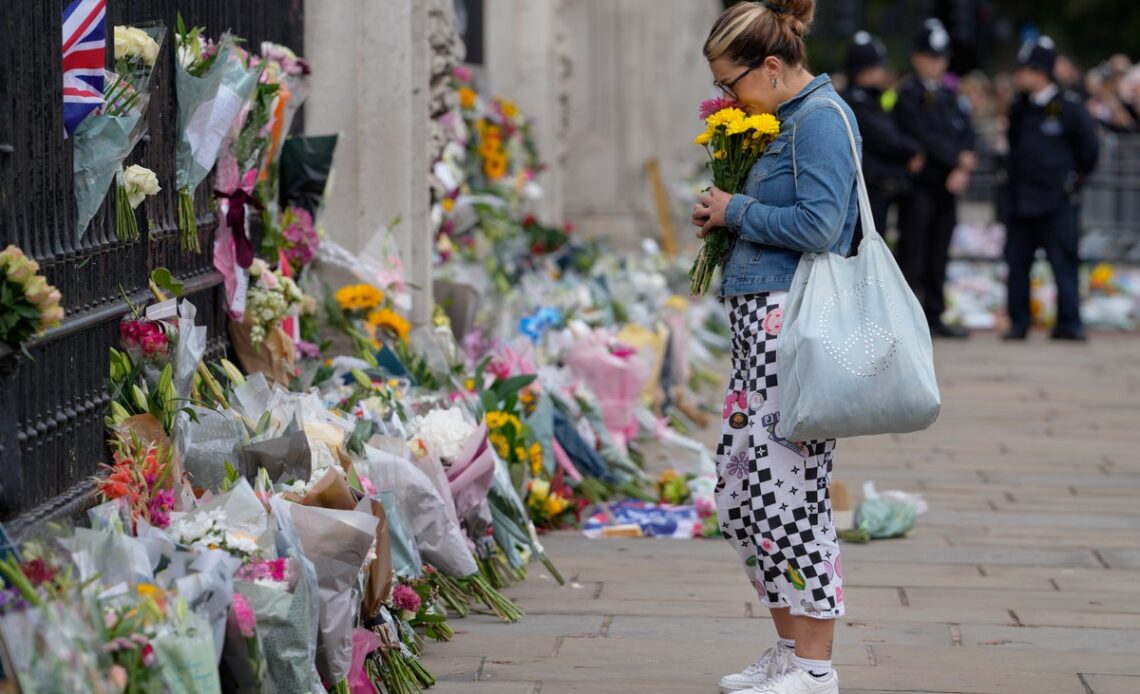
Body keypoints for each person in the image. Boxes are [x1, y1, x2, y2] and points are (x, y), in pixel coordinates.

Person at [691, 2, 857, 692]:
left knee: (790, 493)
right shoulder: (782, 119)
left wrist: (737, 211)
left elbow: (821, 224)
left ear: (771, 66)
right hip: (760, 328)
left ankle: (816, 668)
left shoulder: (818, 118)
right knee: (743, 490)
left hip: (790, 327)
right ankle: (790, 651)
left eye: (733, 85)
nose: (728, 98)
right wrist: (728, 221)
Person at [1003, 36, 1100, 341]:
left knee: (1064, 262)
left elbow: (1089, 149)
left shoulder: (1069, 107)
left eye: (1024, 69)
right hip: (1022, 200)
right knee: (1018, 264)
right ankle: (1019, 322)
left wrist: (1073, 179)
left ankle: (1069, 323)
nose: (1019, 76)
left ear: (1040, 71)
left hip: (1056, 201)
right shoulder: (1020, 108)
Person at [894, 18, 976, 338]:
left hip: (947, 185)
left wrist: (962, 165)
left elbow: (964, 131)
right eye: (931, 57)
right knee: (914, 250)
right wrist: (957, 158)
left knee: (940, 251)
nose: (937, 64)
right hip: (920, 187)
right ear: (917, 57)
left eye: (941, 58)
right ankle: (908, 317)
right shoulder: (908, 92)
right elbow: (921, 134)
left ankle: (935, 314)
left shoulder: (949, 94)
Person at [841, 31, 924, 248]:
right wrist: (912, 151)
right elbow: (884, 138)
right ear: (864, 71)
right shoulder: (855, 102)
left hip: (878, 187)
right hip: (866, 189)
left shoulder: (872, 97)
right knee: (865, 252)